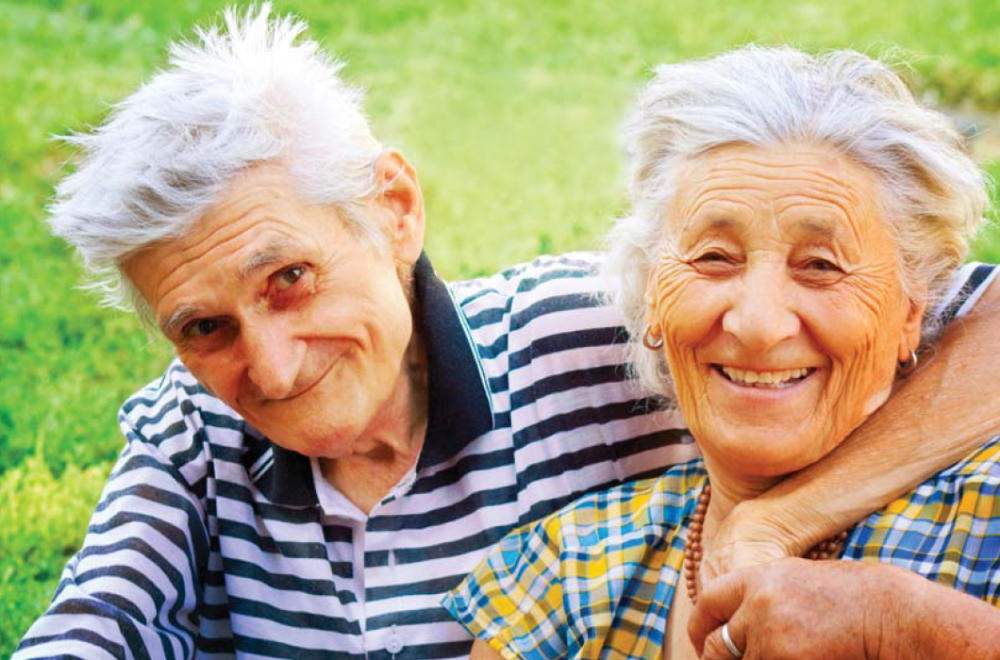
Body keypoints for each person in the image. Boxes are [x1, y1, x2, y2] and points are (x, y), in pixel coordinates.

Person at [14, 8, 1000, 660]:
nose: (271, 368)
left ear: (394, 209)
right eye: (204, 326)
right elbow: (95, 625)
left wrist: (815, 549)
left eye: (291, 279)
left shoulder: (588, 324)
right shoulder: (192, 429)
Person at [444, 46, 1000, 660]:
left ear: (910, 313)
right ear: (653, 295)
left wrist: (899, 628)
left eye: (821, 266)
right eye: (714, 258)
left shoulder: (986, 523)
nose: (759, 324)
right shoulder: (564, 573)